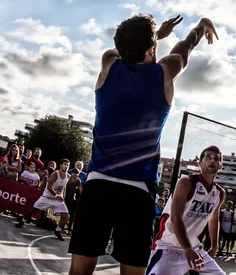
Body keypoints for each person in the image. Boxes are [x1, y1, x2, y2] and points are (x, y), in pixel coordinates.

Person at [68, 14, 219, 275]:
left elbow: (123, 49)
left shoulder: (108, 64)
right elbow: (186, 46)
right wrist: (202, 25)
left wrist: (156, 35)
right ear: (151, 49)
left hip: (97, 184)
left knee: (80, 270)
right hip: (137, 193)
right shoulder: (164, 72)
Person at [146, 146, 225, 275]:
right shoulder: (186, 182)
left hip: (194, 248)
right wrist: (187, 248)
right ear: (199, 162)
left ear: (220, 166)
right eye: (208, 157)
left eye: (216, 159)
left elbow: (213, 220)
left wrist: (214, 247)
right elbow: (175, 218)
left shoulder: (219, 193)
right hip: (169, 247)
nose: (212, 161)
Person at [16, 159, 71, 240]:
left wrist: (63, 197)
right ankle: (23, 221)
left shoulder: (68, 176)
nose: (66, 166)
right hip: (47, 197)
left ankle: (57, 231)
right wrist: (56, 195)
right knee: (33, 210)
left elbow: (64, 187)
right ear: (61, 165)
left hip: (57, 199)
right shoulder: (55, 174)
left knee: (66, 216)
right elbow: (48, 187)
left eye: (67, 165)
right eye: (64, 164)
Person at [65, 168, 83, 234]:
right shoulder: (68, 179)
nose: (76, 174)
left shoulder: (78, 180)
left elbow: (80, 189)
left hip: (73, 200)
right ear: (72, 173)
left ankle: (69, 228)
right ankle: (62, 226)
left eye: (77, 173)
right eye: (75, 173)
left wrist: (81, 196)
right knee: (65, 213)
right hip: (66, 198)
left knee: (72, 215)